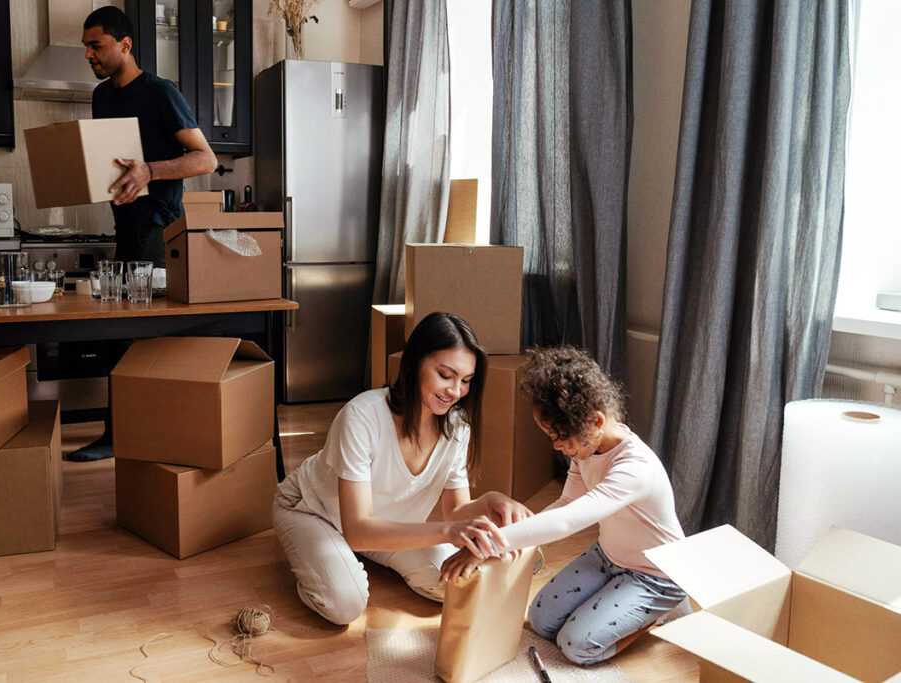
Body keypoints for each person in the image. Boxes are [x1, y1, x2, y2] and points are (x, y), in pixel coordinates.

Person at [272, 312, 533, 625]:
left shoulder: (456, 427)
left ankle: (347, 558)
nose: (455, 391)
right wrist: (447, 532)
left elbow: (455, 513)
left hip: (381, 524)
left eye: (466, 380)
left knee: (460, 583)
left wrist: (490, 502)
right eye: (445, 375)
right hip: (312, 510)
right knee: (344, 605)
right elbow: (358, 531)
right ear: (415, 363)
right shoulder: (362, 416)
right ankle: (314, 559)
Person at [439, 346, 688, 666]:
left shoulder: (634, 469)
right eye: (550, 436)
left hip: (655, 575)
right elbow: (567, 502)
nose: (556, 446)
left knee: (577, 646)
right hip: (608, 556)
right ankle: (618, 599)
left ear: (596, 422)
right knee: (542, 621)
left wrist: (487, 546)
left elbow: (568, 520)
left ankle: (660, 612)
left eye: (560, 436)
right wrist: (511, 538)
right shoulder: (587, 449)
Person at [69, 6, 217, 462]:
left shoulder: (160, 91)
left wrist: (150, 171)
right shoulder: (101, 97)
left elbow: (205, 158)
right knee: (123, 333)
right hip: (126, 227)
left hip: (159, 227)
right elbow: (112, 162)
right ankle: (133, 434)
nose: (89, 55)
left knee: (131, 335)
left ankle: (124, 436)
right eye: (86, 47)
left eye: (96, 45)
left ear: (125, 44)